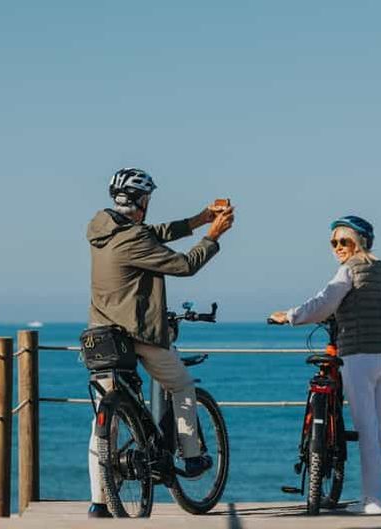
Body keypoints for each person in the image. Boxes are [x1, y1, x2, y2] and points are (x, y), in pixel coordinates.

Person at [86, 168, 235, 518]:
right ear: (141, 201)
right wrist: (213, 235)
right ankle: (191, 453)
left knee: (102, 422)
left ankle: (98, 502)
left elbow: (157, 233)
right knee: (181, 384)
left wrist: (199, 218)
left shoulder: (103, 230)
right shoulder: (133, 239)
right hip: (138, 335)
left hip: (102, 337)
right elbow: (184, 265)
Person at [269, 215, 381, 515]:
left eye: (345, 241)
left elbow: (324, 303)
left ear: (361, 242)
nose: (338, 247)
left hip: (358, 354)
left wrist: (290, 316)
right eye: (334, 242)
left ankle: (374, 500)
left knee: (367, 429)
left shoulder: (349, 271)